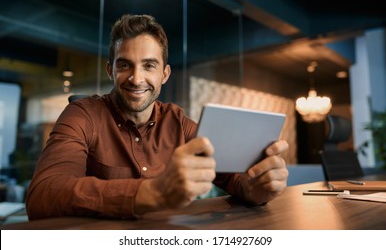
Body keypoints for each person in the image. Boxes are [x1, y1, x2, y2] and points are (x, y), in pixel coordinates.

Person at [26, 14, 289, 220]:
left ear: (164, 74)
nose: (136, 79)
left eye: (149, 65)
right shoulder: (82, 114)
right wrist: (152, 193)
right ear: (110, 71)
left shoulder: (179, 123)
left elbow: (234, 178)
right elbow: (43, 195)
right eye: (124, 64)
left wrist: (256, 188)